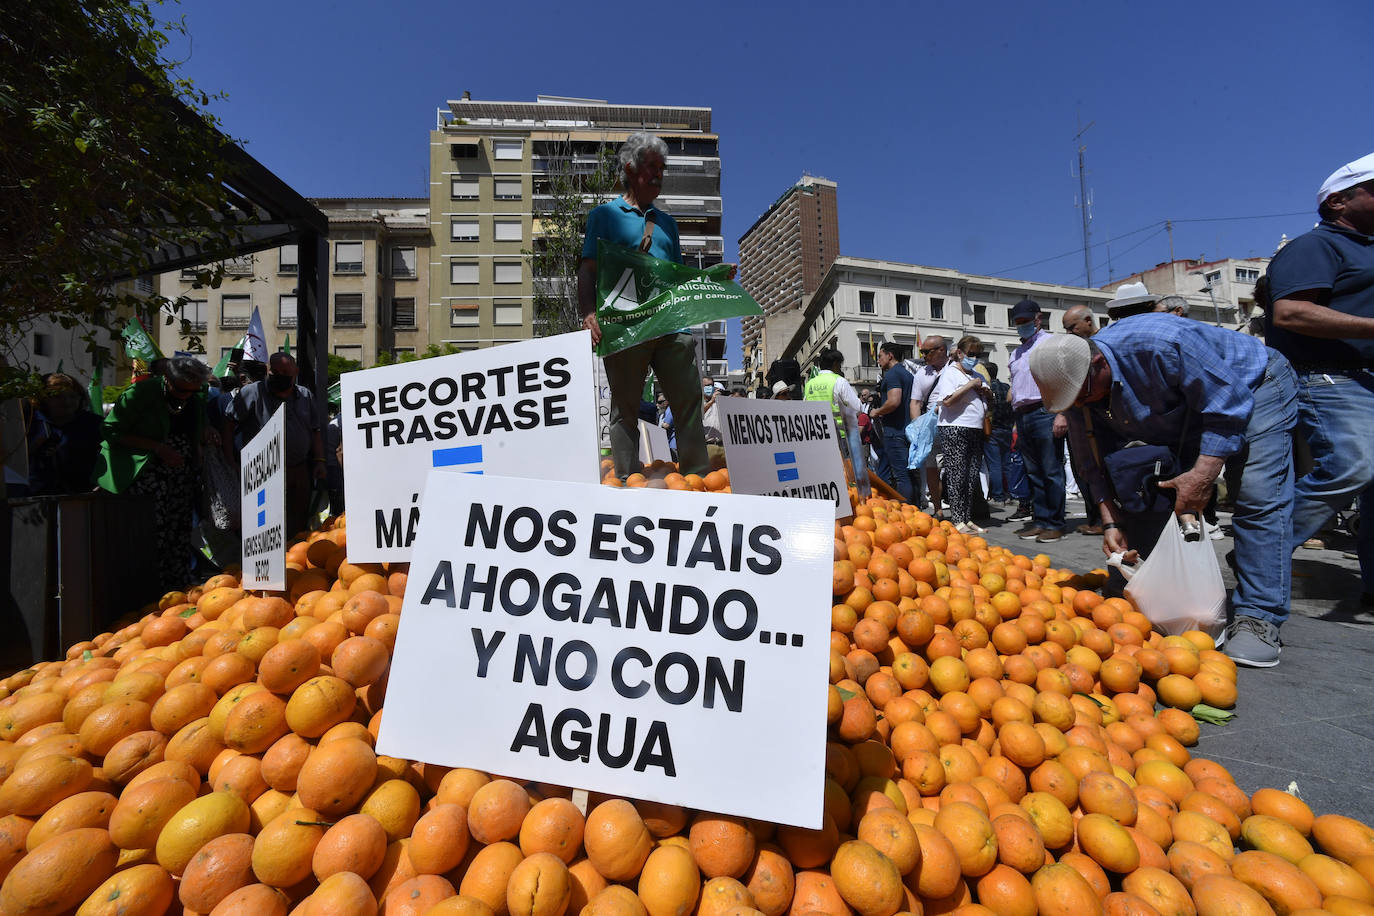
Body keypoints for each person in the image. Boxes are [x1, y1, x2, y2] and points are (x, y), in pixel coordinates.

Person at [1029, 316, 1298, 667]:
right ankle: (1168, 591)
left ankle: (1260, 615)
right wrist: (1110, 522)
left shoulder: (1161, 344)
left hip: (1252, 385)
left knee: (1257, 494)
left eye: (1084, 396)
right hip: (1186, 409)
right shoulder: (1082, 392)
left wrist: (1202, 475)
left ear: (1097, 365)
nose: (1081, 405)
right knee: (1150, 486)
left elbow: (1227, 405)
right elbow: (1090, 463)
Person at [578, 132, 732, 480]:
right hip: (626, 327)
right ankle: (628, 479)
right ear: (630, 168)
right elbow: (587, 269)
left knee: (689, 404)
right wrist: (589, 313)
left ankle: (696, 481)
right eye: (652, 166)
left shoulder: (668, 224)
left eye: (662, 168)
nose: (659, 174)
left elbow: (676, 278)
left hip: (670, 327)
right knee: (625, 409)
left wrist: (712, 277)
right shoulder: (604, 216)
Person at [1266, 151, 1374, 606]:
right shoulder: (1315, 247)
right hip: (1328, 378)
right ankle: (1262, 553)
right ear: (1338, 202)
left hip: (1365, 380)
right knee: (1354, 464)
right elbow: (1290, 311)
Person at [93, 356, 212, 592]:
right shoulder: (140, 393)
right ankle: (145, 589)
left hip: (181, 474)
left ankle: (177, 585)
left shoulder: (196, 396)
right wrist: (158, 448)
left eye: (192, 391)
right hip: (147, 473)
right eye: (181, 390)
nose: (186, 395)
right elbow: (111, 430)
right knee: (151, 531)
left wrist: (206, 432)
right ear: (167, 379)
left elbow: (196, 424)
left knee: (179, 529)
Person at [225, 352, 325, 539]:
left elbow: (315, 430)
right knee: (265, 524)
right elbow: (229, 423)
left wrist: (319, 460)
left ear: (295, 372)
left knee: (297, 521)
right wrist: (231, 459)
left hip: (298, 469)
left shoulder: (305, 395)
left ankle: (293, 559)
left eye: (285, 372)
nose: (279, 376)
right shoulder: (252, 392)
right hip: (262, 472)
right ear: (268, 371)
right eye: (275, 372)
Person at [1008, 298, 1067, 542]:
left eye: (1025, 321)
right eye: (1017, 322)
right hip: (1023, 414)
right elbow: (1017, 387)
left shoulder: (1050, 344)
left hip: (1045, 411)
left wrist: (1062, 413)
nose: (1021, 326)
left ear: (1038, 319)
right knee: (1033, 471)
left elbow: (1064, 379)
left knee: (1051, 469)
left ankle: (1055, 522)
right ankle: (1041, 520)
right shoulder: (1016, 352)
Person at [929, 336, 988, 534]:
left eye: (977, 355)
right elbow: (947, 401)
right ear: (960, 353)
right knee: (957, 474)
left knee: (971, 476)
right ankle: (956, 519)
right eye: (971, 354)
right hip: (955, 427)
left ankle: (966, 516)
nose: (974, 358)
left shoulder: (973, 375)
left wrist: (987, 393)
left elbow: (989, 399)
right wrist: (971, 386)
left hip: (975, 428)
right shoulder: (951, 373)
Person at [1059, 306, 1104, 536]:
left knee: (1102, 466)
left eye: (1072, 327)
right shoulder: (1074, 348)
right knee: (1083, 469)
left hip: (1102, 417)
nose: (1069, 333)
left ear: (1088, 320)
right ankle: (1096, 518)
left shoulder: (1105, 343)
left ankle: (1107, 519)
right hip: (1078, 416)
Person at [24, 373, 102, 496]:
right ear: (43, 398)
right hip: (36, 496)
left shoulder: (94, 424)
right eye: (58, 396)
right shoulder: (29, 424)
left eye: (72, 396)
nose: (66, 402)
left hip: (84, 495)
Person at [869, 342, 915, 500]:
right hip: (906, 430)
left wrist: (877, 412)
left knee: (901, 475)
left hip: (895, 431)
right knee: (909, 473)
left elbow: (894, 401)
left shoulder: (892, 374)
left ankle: (907, 511)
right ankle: (915, 509)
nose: (878, 360)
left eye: (880, 356)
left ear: (890, 355)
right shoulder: (907, 374)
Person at [909, 336, 948, 515]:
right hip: (932, 427)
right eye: (922, 351)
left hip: (955, 425)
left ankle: (962, 510)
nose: (923, 355)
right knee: (932, 469)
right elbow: (915, 402)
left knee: (957, 468)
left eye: (926, 351)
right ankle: (938, 510)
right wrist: (918, 429)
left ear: (941, 350)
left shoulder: (955, 367)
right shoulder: (921, 373)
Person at [803, 348, 863, 459]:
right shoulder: (839, 381)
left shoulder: (809, 384)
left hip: (817, 436)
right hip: (840, 435)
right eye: (840, 365)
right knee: (845, 472)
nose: (840, 368)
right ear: (835, 363)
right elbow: (857, 408)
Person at [982, 363, 1015, 504]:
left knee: (994, 464)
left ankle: (998, 495)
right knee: (1007, 463)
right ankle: (1012, 493)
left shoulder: (987, 389)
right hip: (1007, 428)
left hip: (993, 428)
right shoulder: (1006, 387)